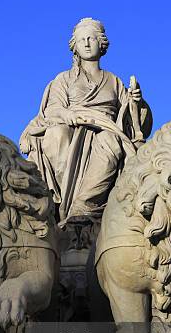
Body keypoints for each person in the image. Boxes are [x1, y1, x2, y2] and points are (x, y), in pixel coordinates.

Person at [19, 17, 152, 226]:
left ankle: (83, 207)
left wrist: (137, 101)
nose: (87, 43)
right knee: (55, 135)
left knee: (109, 141)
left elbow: (132, 121)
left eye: (91, 38)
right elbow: (53, 109)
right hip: (70, 126)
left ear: (102, 44)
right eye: (82, 40)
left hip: (105, 129)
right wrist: (68, 115)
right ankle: (62, 203)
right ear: (75, 46)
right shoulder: (63, 79)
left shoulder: (114, 81)